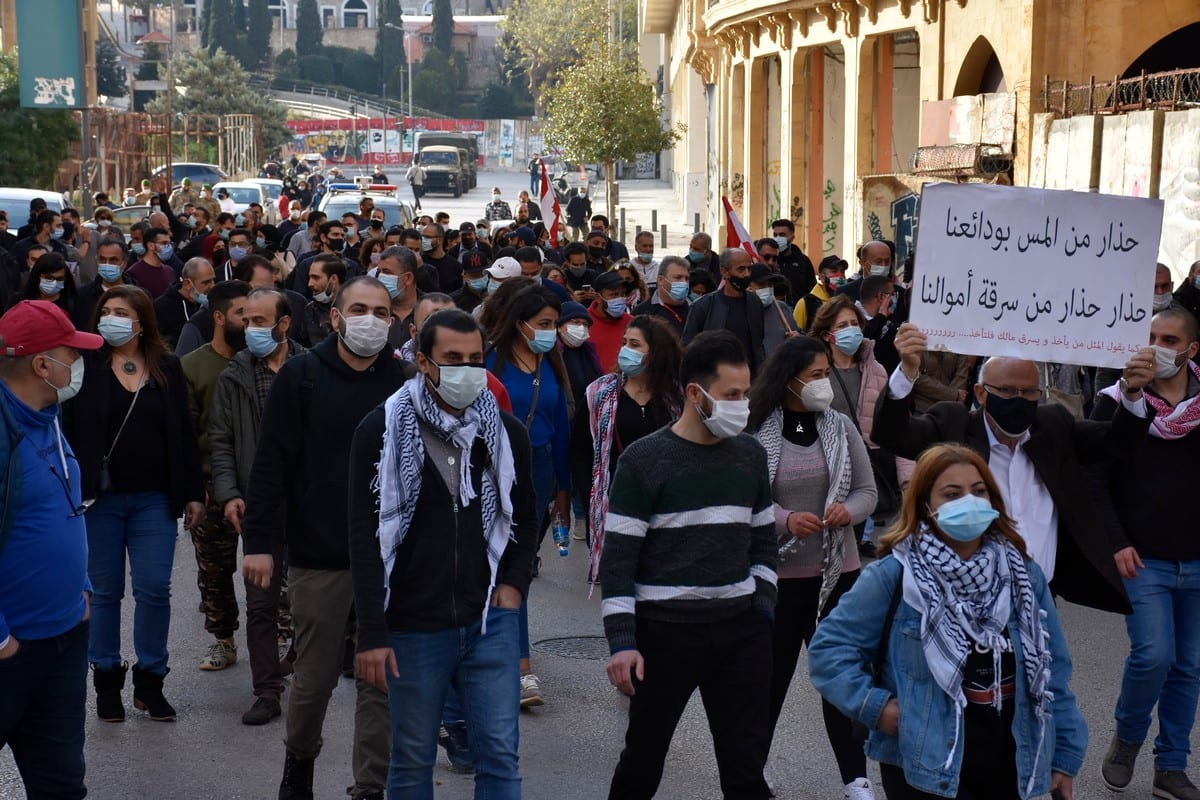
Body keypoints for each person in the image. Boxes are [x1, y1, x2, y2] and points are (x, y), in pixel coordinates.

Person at [810, 443, 1086, 800]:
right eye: (952, 494)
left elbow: (1054, 671)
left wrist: (1064, 755)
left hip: (1011, 751)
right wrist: (875, 708)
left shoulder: (1021, 574)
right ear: (926, 506)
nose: (968, 502)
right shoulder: (896, 575)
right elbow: (829, 650)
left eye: (979, 491)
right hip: (925, 755)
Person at [350, 308, 538, 799]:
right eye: (452, 358)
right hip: (413, 625)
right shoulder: (381, 431)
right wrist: (372, 631)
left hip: (490, 620)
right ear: (423, 362)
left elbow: (524, 517)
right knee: (412, 759)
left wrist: (514, 587)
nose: (467, 369)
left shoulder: (506, 433)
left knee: (499, 755)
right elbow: (365, 538)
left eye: (476, 359)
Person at [242, 276, 414, 800]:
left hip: (389, 561)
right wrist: (260, 544)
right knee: (313, 681)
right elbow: (271, 465)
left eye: (381, 312)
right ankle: (299, 764)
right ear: (335, 317)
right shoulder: (303, 376)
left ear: (392, 321)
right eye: (358, 309)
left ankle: (370, 785)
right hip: (320, 555)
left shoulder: (405, 381)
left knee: (380, 679)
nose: (370, 320)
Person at [871, 322, 1155, 614]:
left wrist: (1132, 393)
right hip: (964, 596)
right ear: (981, 394)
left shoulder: (1054, 427)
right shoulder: (953, 425)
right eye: (1007, 391)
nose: (1020, 400)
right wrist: (907, 369)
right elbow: (891, 434)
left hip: (1040, 596)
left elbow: (1118, 443)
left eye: (1029, 392)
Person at [601, 330, 777, 799]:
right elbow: (618, 560)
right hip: (664, 636)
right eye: (732, 395)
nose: (742, 404)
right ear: (696, 394)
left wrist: (762, 612)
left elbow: (763, 541)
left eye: (746, 393)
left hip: (740, 632)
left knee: (746, 770)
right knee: (643, 761)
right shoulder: (643, 461)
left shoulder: (751, 454)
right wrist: (622, 642)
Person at [62, 285, 206, 723]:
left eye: (121, 311)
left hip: (154, 500)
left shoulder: (167, 366)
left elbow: (183, 432)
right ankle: (106, 680)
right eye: (105, 311)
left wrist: (193, 492)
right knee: (104, 593)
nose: (111, 318)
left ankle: (150, 681)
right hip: (99, 500)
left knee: (153, 588)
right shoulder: (83, 366)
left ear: (141, 321)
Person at [746, 336, 877, 799]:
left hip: (837, 577)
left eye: (827, 374)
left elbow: (867, 491)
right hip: (776, 582)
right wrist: (785, 519)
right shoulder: (755, 429)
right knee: (768, 683)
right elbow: (746, 500)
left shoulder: (839, 426)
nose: (826, 383)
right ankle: (751, 775)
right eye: (817, 375)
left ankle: (856, 779)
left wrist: (848, 512)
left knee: (841, 680)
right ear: (790, 380)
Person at [1091, 306, 1200, 800]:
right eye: (1151, 336)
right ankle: (1128, 739)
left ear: (1191, 350)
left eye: (1170, 339)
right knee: (1153, 656)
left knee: (1188, 666)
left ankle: (1171, 766)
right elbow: (1096, 480)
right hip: (1143, 559)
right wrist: (1116, 541)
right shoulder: (1114, 401)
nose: (1157, 347)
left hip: (1196, 560)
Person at [0, 300, 102, 799]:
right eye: (72, 354)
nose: (78, 364)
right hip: (10, 646)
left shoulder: (48, 415)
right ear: (43, 365)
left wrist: (80, 589)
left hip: (62, 637)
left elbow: (63, 504)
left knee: (62, 784)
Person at [209, 288, 306, 726]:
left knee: (312, 596)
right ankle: (267, 690)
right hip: (259, 501)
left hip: (309, 500)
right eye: (245, 321)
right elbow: (221, 442)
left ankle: (305, 666)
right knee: (261, 602)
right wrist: (230, 493)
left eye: (259, 321)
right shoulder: (235, 376)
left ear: (283, 324)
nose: (250, 330)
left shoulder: (311, 367)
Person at [486, 286, 572, 708]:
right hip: (493, 470)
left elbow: (561, 428)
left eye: (553, 324)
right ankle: (518, 664)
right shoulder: (491, 360)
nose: (550, 332)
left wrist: (564, 490)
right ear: (520, 323)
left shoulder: (552, 362)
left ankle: (510, 654)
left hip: (538, 472)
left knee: (517, 564)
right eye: (543, 324)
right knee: (496, 563)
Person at [180, 281, 252, 672]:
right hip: (211, 488)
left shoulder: (264, 361)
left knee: (272, 569)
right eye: (243, 314)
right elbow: (187, 435)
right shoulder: (192, 366)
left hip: (258, 485)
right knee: (214, 572)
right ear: (221, 317)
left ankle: (275, 637)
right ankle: (223, 640)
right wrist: (194, 489)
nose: (250, 322)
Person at [582, 315, 682, 578]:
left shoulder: (677, 398)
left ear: (656, 353)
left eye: (635, 344)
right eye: (625, 342)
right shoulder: (600, 393)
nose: (626, 350)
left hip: (664, 504)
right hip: (616, 501)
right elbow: (581, 450)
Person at [682, 248, 767, 375]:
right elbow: (688, 348)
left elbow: (758, 344)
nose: (746, 274)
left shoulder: (754, 302)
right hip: (714, 380)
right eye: (741, 269)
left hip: (750, 380)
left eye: (749, 268)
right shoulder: (703, 306)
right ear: (724, 272)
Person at [74, 238, 139, 331]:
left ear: (124, 263)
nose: (107, 264)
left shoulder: (138, 295)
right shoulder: (83, 295)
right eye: (102, 259)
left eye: (113, 260)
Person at [154, 257, 215, 348]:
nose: (212, 286)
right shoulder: (161, 307)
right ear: (187, 283)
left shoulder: (211, 303)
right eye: (206, 282)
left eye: (213, 280)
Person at [586, 270, 634, 372]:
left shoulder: (632, 323)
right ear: (598, 298)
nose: (620, 299)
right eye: (614, 295)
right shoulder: (583, 322)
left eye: (623, 294)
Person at [633, 255, 690, 336]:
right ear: (660, 280)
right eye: (678, 277)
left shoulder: (696, 309)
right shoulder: (642, 312)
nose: (684, 283)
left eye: (687, 278)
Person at [795, 255, 849, 332]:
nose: (840, 275)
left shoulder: (848, 301)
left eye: (842, 271)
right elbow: (796, 335)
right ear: (822, 277)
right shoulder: (806, 303)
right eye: (834, 271)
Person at [302, 253, 346, 346]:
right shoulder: (310, 309)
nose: (310, 283)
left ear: (333, 279)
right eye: (310, 277)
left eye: (316, 277)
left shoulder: (353, 309)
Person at [18, 252, 78, 318]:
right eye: (49, 278)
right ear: (37, 276)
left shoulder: (74, 304)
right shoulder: (19, 301)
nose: (54, 282)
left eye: (59, 278)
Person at [771, 219, 816, 304]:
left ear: (792, 238)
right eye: (775, 235)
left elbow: (812, 290)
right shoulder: (769, 260)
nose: (778, 239)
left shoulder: (803, 261)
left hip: (798, 312)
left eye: (782, 235)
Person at [125, 227, 177, 299]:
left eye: (170, 243)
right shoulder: (134, 273)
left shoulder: (170, 271)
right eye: (164, 243)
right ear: (151, 245)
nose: (169, 247)